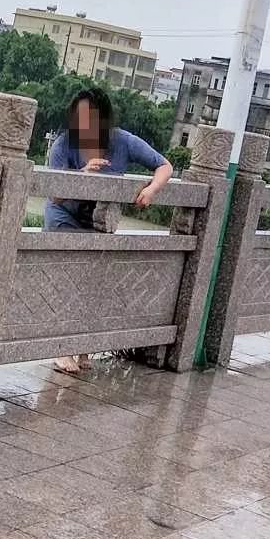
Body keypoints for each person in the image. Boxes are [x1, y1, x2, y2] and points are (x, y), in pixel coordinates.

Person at [44, 89, 174, 374]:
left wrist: (151, 189)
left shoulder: (122, 141)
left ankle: (82, 349)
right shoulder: (64, 144)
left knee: (94, 284)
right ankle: (60, 349)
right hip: (64, 218)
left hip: (99, 224)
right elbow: (54, 195)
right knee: (71, 282)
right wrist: (82, 175)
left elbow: (164, 165)